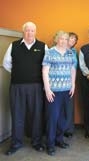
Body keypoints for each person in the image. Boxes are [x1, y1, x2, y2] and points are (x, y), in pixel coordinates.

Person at [2, 21, 47, 155]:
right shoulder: (14, 45)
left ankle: (37, 142)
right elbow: (6, 64)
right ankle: (16, 143)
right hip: (17, 86)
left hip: (36, 86)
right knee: (17, 114)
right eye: (27, 30)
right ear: (23, 32)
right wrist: (20, 73)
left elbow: (47, 66)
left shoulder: (43, 46)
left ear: (35, 32)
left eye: (32, 30)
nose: (29, 33)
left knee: (36, 115)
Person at [42, 31, 77, 156]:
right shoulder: (50, 52)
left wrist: (73, 85)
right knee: (52, 117)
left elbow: (73, 69)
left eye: (65, 39)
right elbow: (45, 71)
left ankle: (59, 139)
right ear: (57, 39)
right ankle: (50, 144)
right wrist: (47, 89)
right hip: (54, 92)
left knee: (64, 118)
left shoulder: (70, 53)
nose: (63, 41)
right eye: (61, 39)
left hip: (67, 90)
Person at [64, 32, 79, 138]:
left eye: (74, 39)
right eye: (71, 38)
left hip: (70, 82)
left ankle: (69, 129)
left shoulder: (74, 51)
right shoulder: (59, 49)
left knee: (69, 106)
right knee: (60, 107)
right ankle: (60, 128)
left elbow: (75, 66)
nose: (72, 41)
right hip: (59, 82)